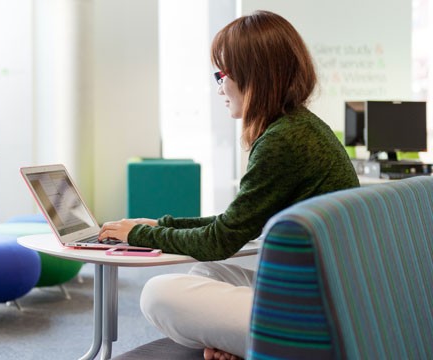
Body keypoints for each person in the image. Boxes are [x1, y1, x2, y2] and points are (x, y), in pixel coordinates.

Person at [98, 10, 360, 360]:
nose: (220, 86)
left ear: (255, 75)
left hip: (319, 315)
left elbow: (221, 240)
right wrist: (163, 226)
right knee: (206, 273)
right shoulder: (296, 127)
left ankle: (245, 343)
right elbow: (234, 222)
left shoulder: (283, 140)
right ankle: (234, 344)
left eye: (223, 74)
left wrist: (138, 235)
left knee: (158, 293)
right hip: (323, 292)